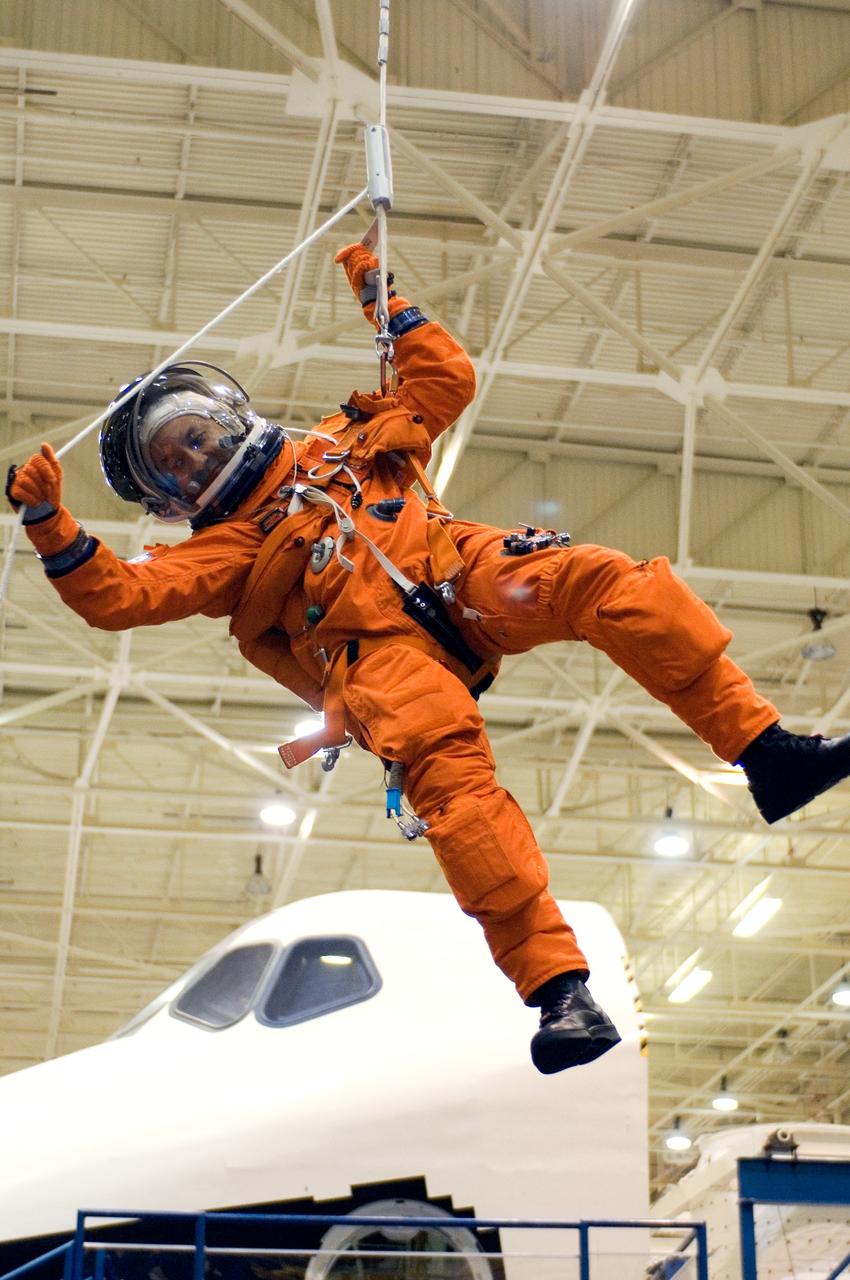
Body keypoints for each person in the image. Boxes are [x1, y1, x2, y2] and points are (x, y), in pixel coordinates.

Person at [7, 243, 850, 1075]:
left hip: (464, 575)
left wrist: (386, 300)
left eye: (191, 437)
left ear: (222, 414)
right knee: (452, 782)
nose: (192, 457)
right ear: (167, 495)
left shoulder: (345, 440)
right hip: (381, 658)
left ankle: (768, 753)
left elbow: (445, 383)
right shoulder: (223, 548)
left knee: (609, 583)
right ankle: (561, 990)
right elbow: (117, 596)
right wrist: (51, 522)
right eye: (174, 461)